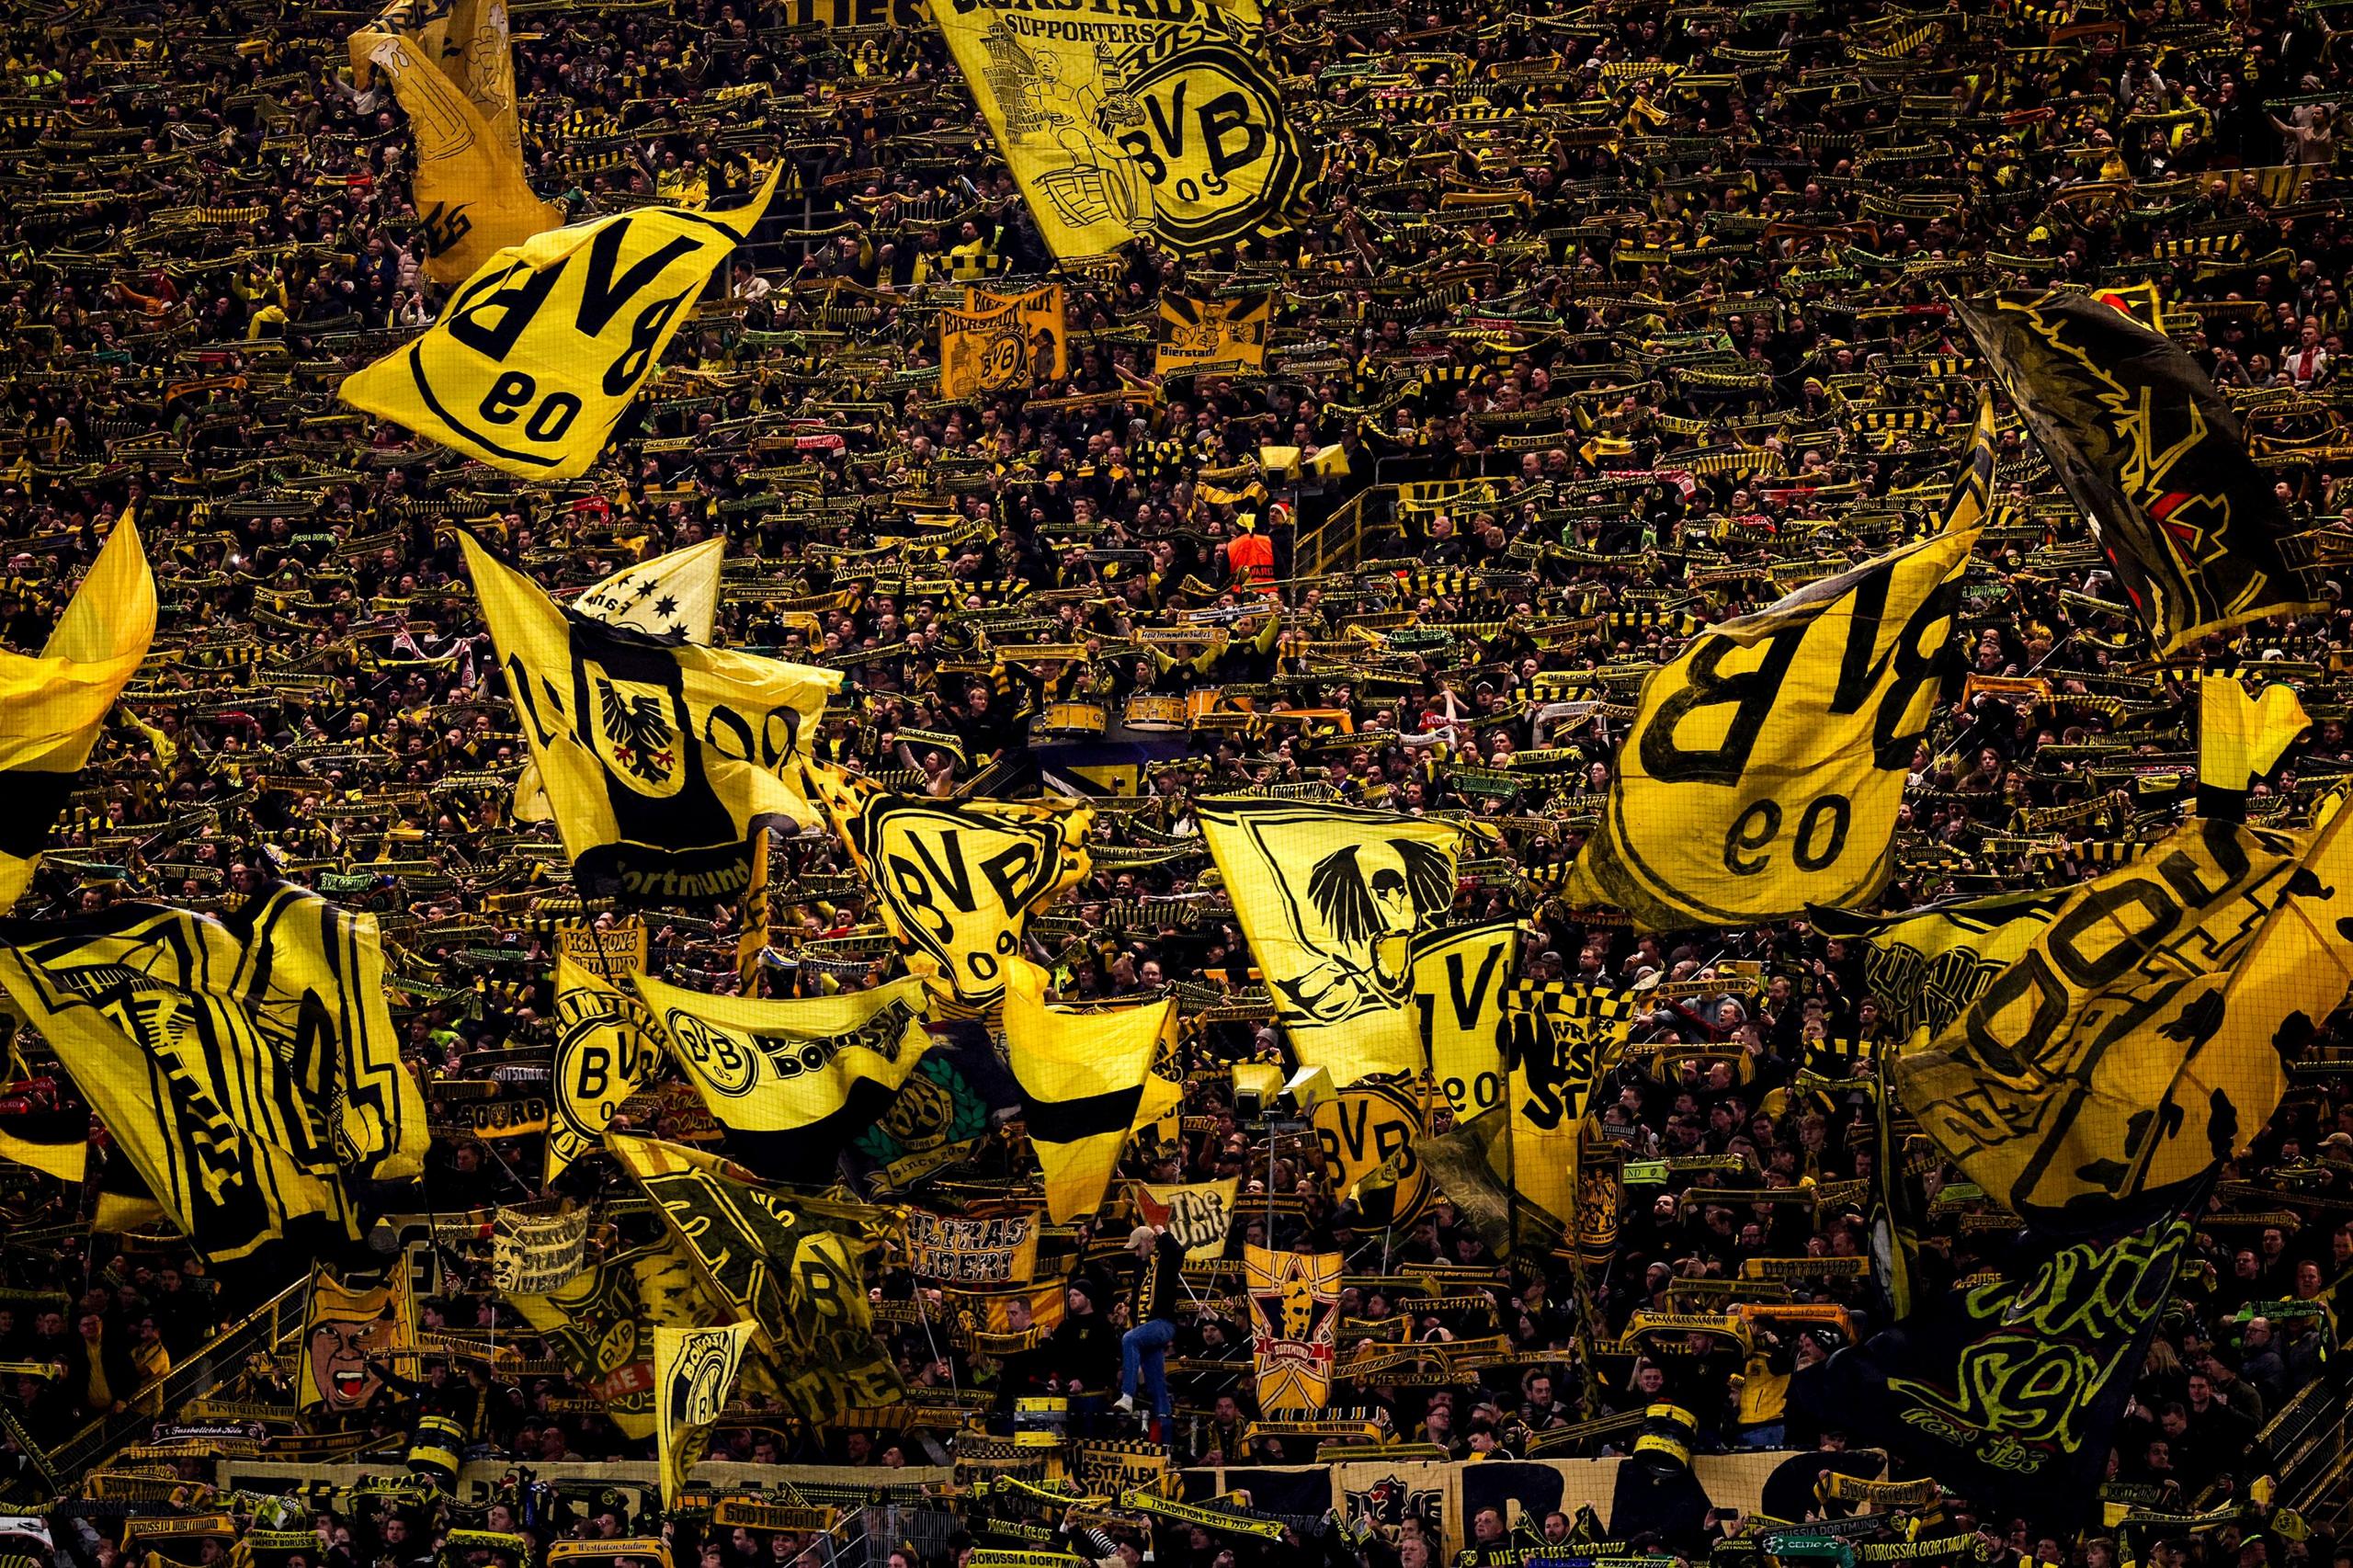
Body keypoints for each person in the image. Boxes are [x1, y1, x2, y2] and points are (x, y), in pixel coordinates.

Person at [1111, 1221, 1183, 1427]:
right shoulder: (1141, 1268)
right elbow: (1138, 1300)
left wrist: (1162, 1232)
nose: (1135, 1253)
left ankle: (1127, 1395)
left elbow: (1178, 1252)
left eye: (1138, 1247)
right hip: (1148, 1328)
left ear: (1150, 1242)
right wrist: (1126, 1311)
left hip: (1163, 1324)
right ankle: (1166, 1442)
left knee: (1130, 1339)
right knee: (1157, 1386)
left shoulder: (1166, 1261)